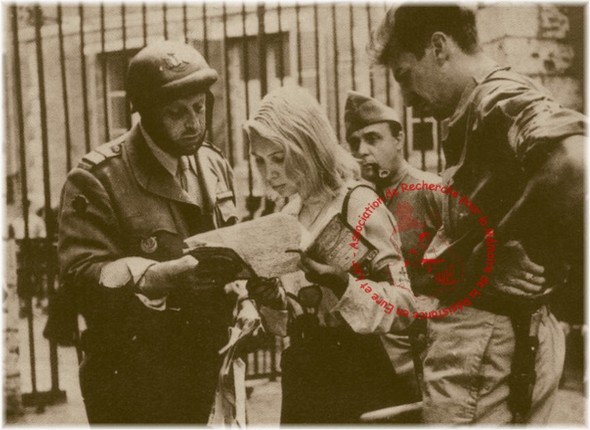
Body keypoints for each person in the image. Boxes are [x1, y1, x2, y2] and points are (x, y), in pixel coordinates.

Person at [369, 4, 585, 424]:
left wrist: (491, 254)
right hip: (495, 343)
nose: (406, 100)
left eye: (404, 76)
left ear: (438, 47)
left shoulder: (497, 99)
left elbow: (577, 167)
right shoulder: (482, 106)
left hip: (486, 346)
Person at [57, 40, 258, 424]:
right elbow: (80, 276)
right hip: (133, 378)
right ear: (146, 114)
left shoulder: (213, 165)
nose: (194, 123)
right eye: (177, 113)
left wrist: (245, 297)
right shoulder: (96, 178)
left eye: (199, 107)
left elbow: (234, 244)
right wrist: (161, 276)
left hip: (206, 365)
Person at [244, 86, 420, 424]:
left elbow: (405, 308)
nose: (270, 173)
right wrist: (271, 299)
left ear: (308, 145)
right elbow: (290, 319)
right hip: (303, 378)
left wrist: (343, 285)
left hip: (359, 374)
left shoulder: (358, 203)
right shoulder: (288, 214)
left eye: (279, 158)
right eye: (260, 161)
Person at [345, 91, 442, 296]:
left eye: (372, 138)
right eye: (355, 144)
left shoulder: (432, 191)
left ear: (398, 139)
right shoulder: (358, 203)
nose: (362, 151)